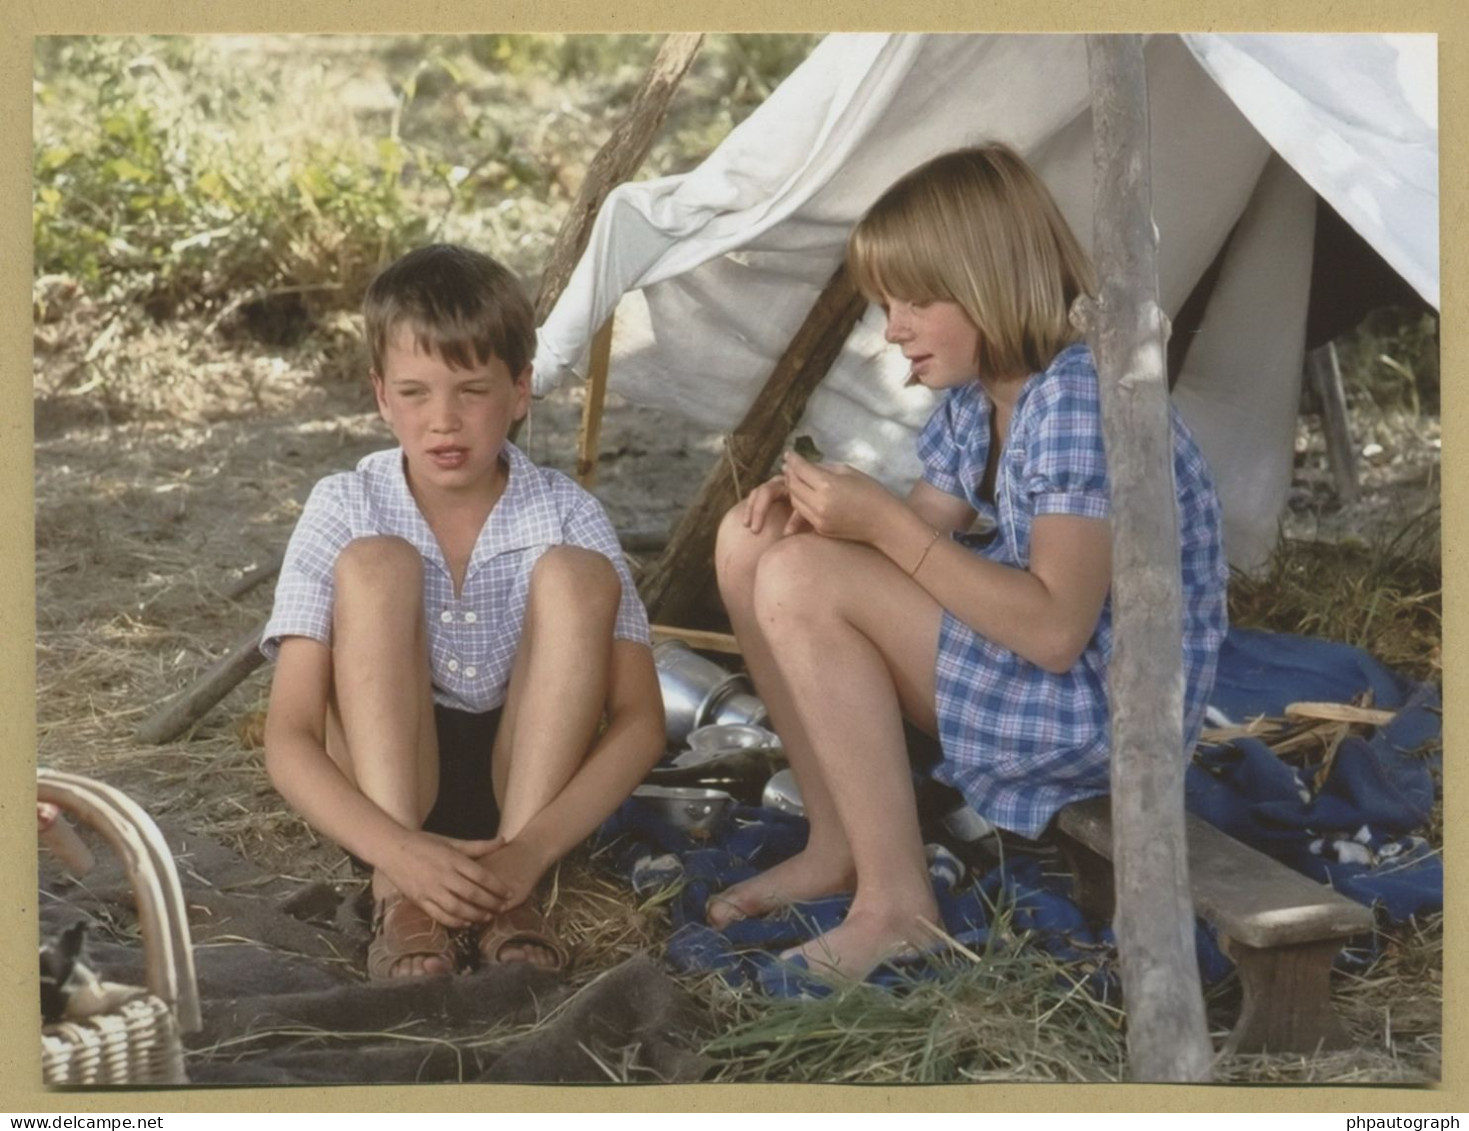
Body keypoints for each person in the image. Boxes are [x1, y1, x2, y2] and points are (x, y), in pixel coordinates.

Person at [711, 144, 1229, 981]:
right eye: (885, 303)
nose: (894, 328)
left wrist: (874, 528)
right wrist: (820, 512)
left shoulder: (1078, 402)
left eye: (915, 299)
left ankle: (896, 906)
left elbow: (1057, 629)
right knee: (755, 544)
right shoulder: (977, 399)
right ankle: (836, 840)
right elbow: (908, 544)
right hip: (1041, 683)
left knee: (801, 577)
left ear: (992, 280)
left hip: (1099, 714)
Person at [261, 244, 664, 980]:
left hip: (527, 792)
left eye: (471, 390)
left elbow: (640, 719)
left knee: (578, 574)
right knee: (376, 563)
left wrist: (534, 849)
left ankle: (512, 899)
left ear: (519, 391)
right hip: (387, 791)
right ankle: (402, 897)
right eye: (414, 393)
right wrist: (392, 850)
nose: (443, 421)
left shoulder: (567, 511)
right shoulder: (342, 503)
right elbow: (288, 732)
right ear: (380, 395)